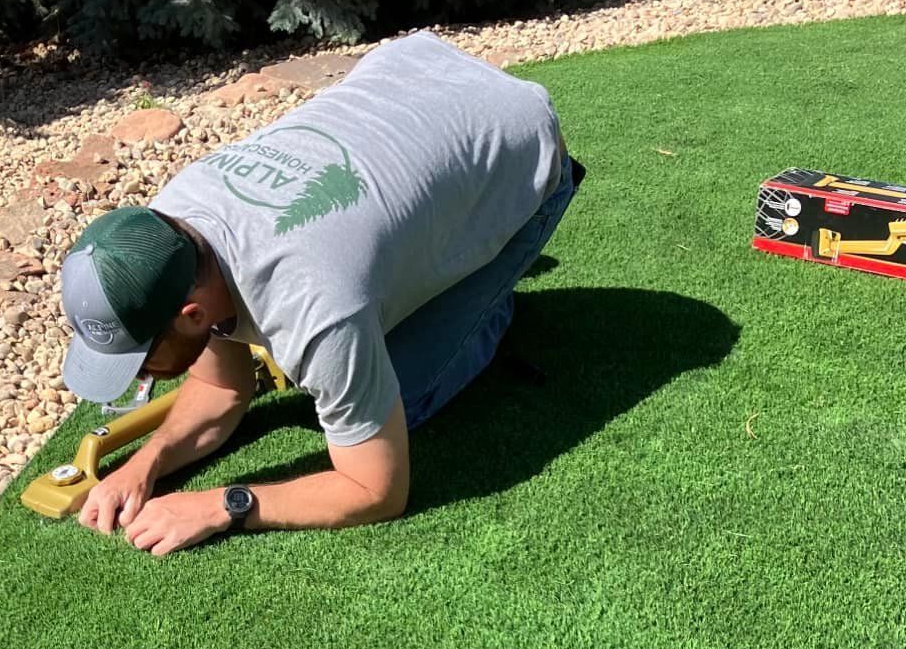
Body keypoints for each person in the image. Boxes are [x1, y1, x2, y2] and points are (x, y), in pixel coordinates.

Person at [57, 30, 583, 555]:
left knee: (405, 397)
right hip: (413, 69)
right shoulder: (174, 228)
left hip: (523, 138)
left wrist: (222, 506)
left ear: (192, 314)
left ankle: (488, 294)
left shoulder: (315, 303)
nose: (143, 376)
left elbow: (377, 490)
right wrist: (143, 465)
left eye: (142, 360)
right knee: (358, 347)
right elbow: (222, 391)